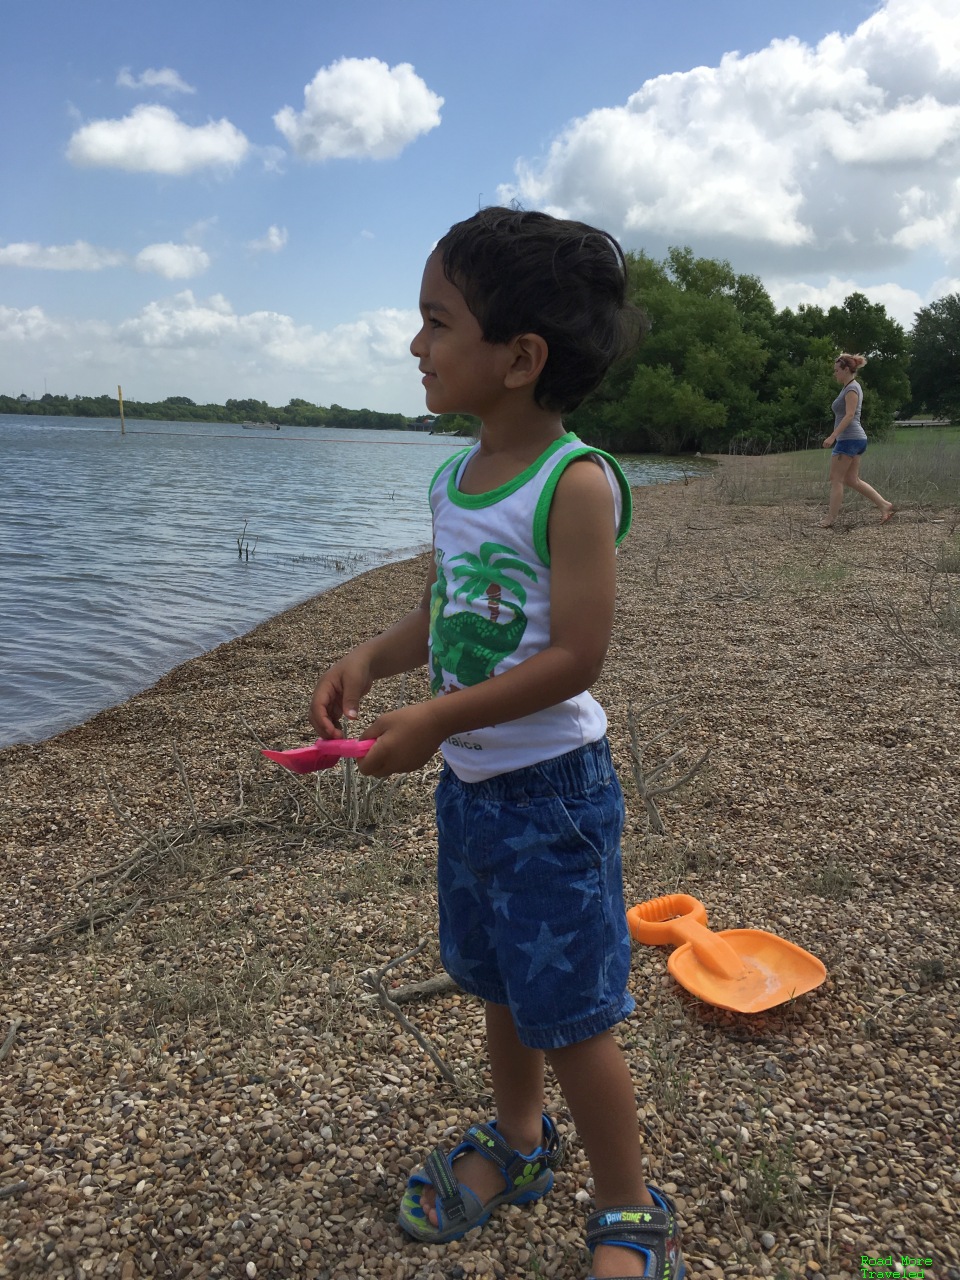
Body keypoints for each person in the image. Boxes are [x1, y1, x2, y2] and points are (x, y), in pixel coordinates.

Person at [309, 207, 685, 1280]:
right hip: (472, 794)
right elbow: (451, 608)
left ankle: (629, 1207)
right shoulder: (454, 479)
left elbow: (576, 655)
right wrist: (376, 660)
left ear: (520, 358)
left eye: (435, 322)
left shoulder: (575, 481)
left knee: (573, 1012)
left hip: (552, 795)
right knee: (501, 984)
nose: (415, 345)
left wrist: (432, 718)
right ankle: (520, 1143)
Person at [820, 353, 895, 527]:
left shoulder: (852, 388)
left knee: (836, 479)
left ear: (846, 369)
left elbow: (850, 415)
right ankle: (884, 505)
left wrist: (833, 436)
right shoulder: (849, 387)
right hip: (855, 439)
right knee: (852, 479)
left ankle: (830, 519)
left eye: (837, 370)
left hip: (849, 439)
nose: (835, 374)